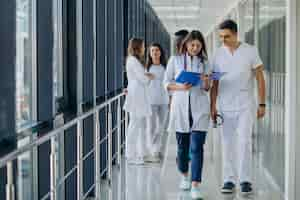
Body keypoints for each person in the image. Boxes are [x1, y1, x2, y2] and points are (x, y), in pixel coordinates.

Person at [210, 19, 266, 194]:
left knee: (244, 142)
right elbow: (215, 83)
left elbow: (259, 78)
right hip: (225, 105)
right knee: (227, 143)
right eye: (221, 37)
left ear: (235, 34)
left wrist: (262, 103)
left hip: (245, 105)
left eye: (227, 36)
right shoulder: (218, 54)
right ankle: (228, 179)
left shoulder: (250, 51)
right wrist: (212, 106)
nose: (223, 40)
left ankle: (245, 180)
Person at [164, 30, 210, 199]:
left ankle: (195, 185)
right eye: (193, 45)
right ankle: (184, 174)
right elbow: (166, 83)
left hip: (199, 108)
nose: (195, 48)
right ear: (186, 44)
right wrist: (180, 87)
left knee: (197, 147)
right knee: (182, 149)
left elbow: (207, 88)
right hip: (180, 107)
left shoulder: (204, 62)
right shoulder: (174, 60)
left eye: (198, 45)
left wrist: (206, 82)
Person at [123, 38, 155, 165]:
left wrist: (147, 76)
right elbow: (144, 79)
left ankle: (141, 153)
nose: (144, 49)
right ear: (137, 47)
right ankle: (131, 155)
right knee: (134, 126)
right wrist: (149, 77)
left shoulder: (134, 60)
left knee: (140, 126)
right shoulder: (133, 61)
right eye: (142, 46)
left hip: (138, 95)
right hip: (136, 96)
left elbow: (142, 77)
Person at [144, 43, 169, 162]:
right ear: (149, 53)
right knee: (151, 127)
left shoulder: (166, 67)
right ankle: (152, 150)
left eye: (157, 50)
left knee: (162, 127)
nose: (155, 52)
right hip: (150, 101)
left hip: (164, 100)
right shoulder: (146, 68)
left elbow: (170, 83)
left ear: (161, 52)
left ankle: (157, 150)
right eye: (153, 50)